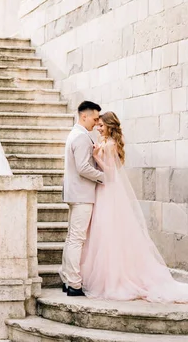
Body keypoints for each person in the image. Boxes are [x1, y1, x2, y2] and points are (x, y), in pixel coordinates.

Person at [80, 111, 188, 303]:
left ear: (110, 126)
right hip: (106, 189)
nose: (99, 128)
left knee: (108, 230)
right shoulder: (108, 142)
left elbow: (110, 173)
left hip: (108, 188)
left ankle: (114, 278)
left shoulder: (109, 144)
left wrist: (96, 156)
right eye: (98, 125)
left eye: (102, 125)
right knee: (105, 230)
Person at [59, 101, 105, 297]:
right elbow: (83, 168)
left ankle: (67, 278)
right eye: (95, 119)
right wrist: (106, 178)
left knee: (72, 238)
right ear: (84, 116)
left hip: (75, 193)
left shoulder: (76, 134)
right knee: (77, 239)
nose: (96, 123)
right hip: (82, 195)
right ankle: (74, 284)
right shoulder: (81, 138)